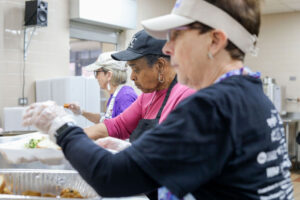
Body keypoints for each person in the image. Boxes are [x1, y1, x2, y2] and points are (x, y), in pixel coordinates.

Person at [23, 0, 294, 200]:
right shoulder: (252, 95)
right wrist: (139, 153)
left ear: (214, 41)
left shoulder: (212, 106)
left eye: (176, 35)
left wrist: (61, 126)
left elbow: (110, 178)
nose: (167, 48)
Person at [84, 30, 195, 142]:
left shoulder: (186, 97)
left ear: (160, 66)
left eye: (136, 69)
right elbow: (118, 125)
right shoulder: (148, 96)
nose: (132, 77)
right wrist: (72, 136)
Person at [66, 51, 137, 123]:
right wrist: (81, 112)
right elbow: (105, 120)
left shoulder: (125, 97)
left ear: (109, 75)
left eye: (97, 72)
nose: (96, 77)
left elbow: (126, 130)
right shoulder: (115, 96)